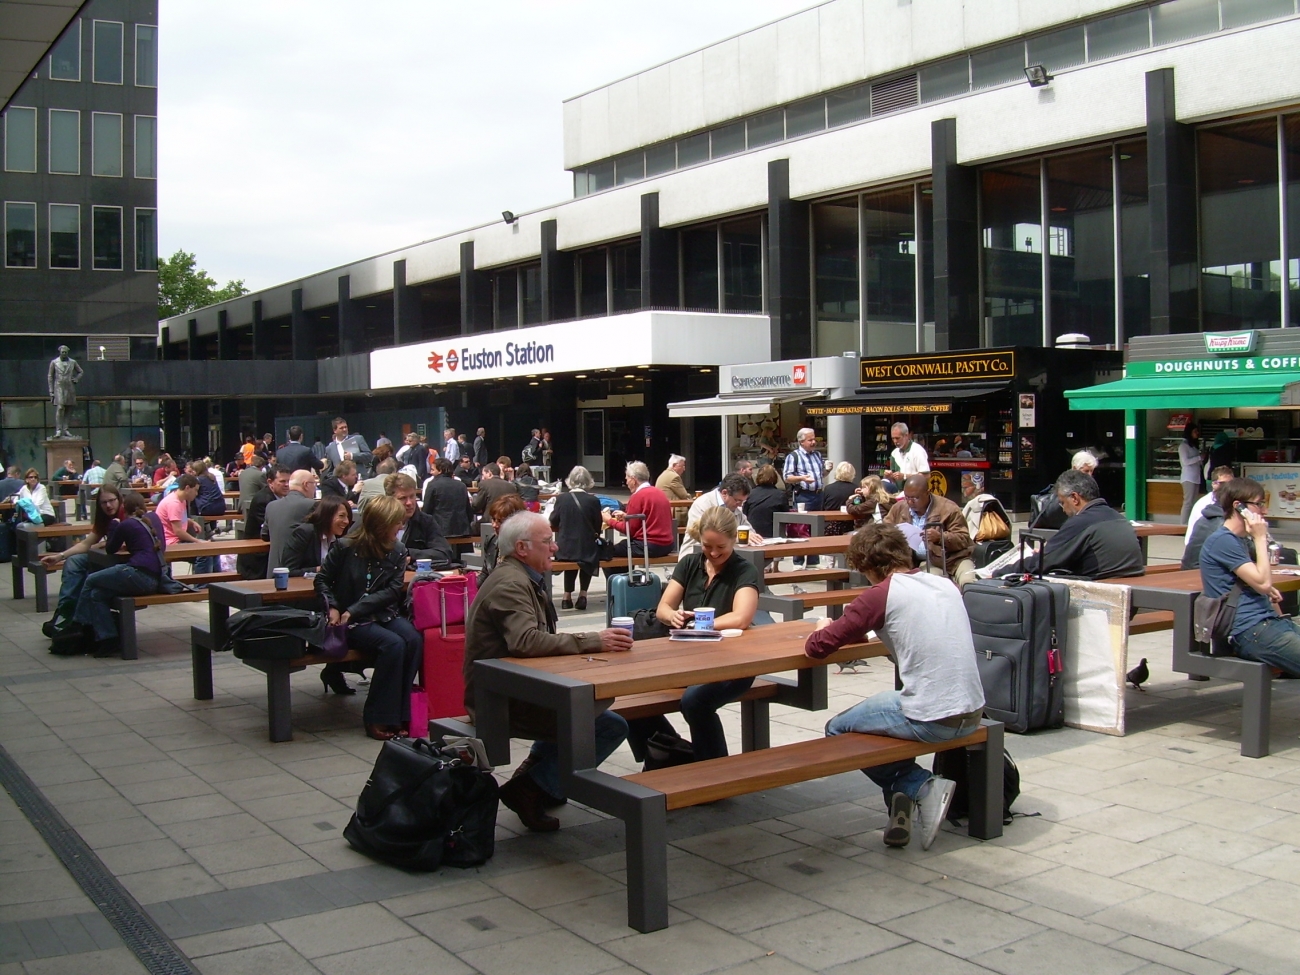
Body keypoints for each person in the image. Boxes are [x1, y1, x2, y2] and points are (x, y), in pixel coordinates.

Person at [805, 523, 983, 849]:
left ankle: (919, 785)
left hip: (933, 716)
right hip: (972, 708)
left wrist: (821, 624)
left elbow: (817, 647)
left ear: (869, 568)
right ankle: (900, 806)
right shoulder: (944, 584)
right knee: (880, 721)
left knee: (838, 729)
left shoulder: (880, 594)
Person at [463, 511, 633, 831]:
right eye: (548, 541)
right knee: (607, 725)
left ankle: (534, 776)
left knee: (593, 710)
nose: (555, 548)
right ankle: (532, 788)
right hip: (499, 701)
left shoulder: (518, 576)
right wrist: (593, 640)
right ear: (523, 548)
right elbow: (525, 641)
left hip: (513, 689)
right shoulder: (511, 583)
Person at [626, 507, 761, 764]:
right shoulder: (690, 563)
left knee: (695, 702)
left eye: (720, 546)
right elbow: (664, 607)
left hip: (731, 662)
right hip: (689, 657)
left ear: (734, 539)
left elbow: (741, 617)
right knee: (628, 691)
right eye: (707, 545)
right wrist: (672, 617)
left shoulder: (744, 571)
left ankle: (713, 769)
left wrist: (703, 624)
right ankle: (668, 749)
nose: (713, 552)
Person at [316, 495, 422, 739]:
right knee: (393, 644)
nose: (401, 527)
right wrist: (333, 606)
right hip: (348, 620)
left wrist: (356, 609)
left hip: (377, 613)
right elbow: (322, 580)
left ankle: (402, 712)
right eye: (397, 522)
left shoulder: (397, 550)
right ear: (382, 524)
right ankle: (378, 715)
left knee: (414, 639)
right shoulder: (344, 548)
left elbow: (392, 590)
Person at [1199, 478, 1300, 676]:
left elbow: (1259, 583)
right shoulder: (1222, 541)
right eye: (1259, 504)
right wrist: (1260, 537)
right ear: (1239, 506)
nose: (1264, 511)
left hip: (1269, 624)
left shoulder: (1239, 540)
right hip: (1250, 631)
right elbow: (1263, 582)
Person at [73, 492, 166, 658]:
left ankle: (80, 624)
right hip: (156, 578)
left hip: (138, 574)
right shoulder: (155, 518)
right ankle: (108, 638)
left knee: (90, 580)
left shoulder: (126, 524)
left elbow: (110, 548)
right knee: (97, 594)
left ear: (124, 508)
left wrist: (114, 526)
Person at [1020, 470, 1143, 580]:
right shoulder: (1118, 517)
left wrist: (1004, 569)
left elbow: (1042, 562)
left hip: (1100, 585)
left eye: (1062, 502)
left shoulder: (1080, 523)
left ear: (1074, 498)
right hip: (1125, 579)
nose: (1063, 509)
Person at [39, 484, 127, 638]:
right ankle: (64, 612)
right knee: (73, 562)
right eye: (103, 502)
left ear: (119, 499)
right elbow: (86, 544)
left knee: (87, 576)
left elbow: (130, 542)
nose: (108, 505)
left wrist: (105, 544)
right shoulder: (104, 518)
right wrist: (59, 556)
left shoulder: (126, 513)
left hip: (128, 567)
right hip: (109, 560)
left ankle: (70, 620)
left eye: (111, 501)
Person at [883, 473, 975, 587]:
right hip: (926, 561)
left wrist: (941, 537)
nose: (910, 502)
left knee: (969, 583)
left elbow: (963, 538)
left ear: (927, 493)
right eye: (907, 497)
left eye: (915, 498)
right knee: (933, 584)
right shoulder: (899, 508)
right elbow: (884, 531)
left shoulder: (949, 508)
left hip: (955, 559)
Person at [604, 461, 675, 573]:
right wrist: (627, 516)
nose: (626, 482)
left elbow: (628, 530)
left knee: (607, 552)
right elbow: (650, 518)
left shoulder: (637, 497)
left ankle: (619, 588)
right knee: (624, 547)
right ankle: (628, 581)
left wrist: (608, 520)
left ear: (633, 479)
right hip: (667, 545)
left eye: (627, 478)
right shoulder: (659, 493)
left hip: (650, 546)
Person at [550, 465, 603, 609]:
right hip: (586, 549)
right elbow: (598, 527)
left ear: (570, 481)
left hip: (565, 548)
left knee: (571, 554)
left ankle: (566, 595)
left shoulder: (562, 499)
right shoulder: (593, 501)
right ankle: (583, 594)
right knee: (586, 557)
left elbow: (553, 520)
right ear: (588, 481)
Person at [386, 472, 458, 568]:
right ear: (390, 500)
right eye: (403, 498)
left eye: (412, 496)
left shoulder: (425, 521)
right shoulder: (380, 522)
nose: (409, 503)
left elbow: (444, 554)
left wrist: (408, 553)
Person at [679, 474, 759, 557]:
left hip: (725, 556)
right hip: (696, 555)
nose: (740, 505)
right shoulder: (702, 504)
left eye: (743, 502)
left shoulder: (735, 508)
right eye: (737, 500)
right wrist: (737, 537)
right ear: (724, 493)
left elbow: (748, 530)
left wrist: (752, 537)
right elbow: (703, 535)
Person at [262, 469, 319, 576]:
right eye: (314, 484)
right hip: (297, 573)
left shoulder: (271, 506)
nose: (315, 488)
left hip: (272, 571)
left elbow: (264, 535)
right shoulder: (313, 505)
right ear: (306, 485)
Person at [239, 465, 290, 579]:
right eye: (282, 481)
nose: (287, 485)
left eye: (288, 481)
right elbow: (271, 530)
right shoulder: (263, 500)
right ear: (270, 482)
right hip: (257, 559)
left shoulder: (281, 497)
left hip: (269, 551)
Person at [783, 428, 825, 567]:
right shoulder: (794, 456)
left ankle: (813, 561)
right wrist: (802, 478)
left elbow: (819, 475)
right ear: (801, 441)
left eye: (814, 439)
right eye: (810, 440)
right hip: (803, 496)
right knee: (800, 528)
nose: (814, 442)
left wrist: (827, 471)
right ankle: (798, 561)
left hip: (818, 494)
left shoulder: (817, 455)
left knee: (816, 528)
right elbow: (787, 477)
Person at [281, 497, 352, 577]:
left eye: (348, 517)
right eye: (341, 515)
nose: (346, 521)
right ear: (327, 515)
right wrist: (320, 569)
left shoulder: (339, 539)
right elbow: (288, 570)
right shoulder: (304, 533)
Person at [1029, 450, 1098, 530]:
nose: (1089, 475)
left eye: (1091, 471)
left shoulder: (1088, 486)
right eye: (1086, 471)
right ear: (1075, 468)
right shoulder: (1065, 484)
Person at [479, 493, 528, 586]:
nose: (494, 525)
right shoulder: (491, 540)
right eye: (493, 519)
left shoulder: (525, 546)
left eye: (500, 521)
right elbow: (484, 575)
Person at [1181, 476, 1229, 571]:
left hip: (1199, 568)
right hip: (1198, 572)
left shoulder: (1215, 513)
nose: (1263, 511)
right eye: (1258, 504)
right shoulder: (1221, 523)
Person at [423, 458, 475, 542]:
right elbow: (468, 510)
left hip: (441, 530)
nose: (431, 472)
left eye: (433, 469)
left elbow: (427, 510)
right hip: (462, 529)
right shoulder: (461, 485)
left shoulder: (432, 485)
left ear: (440, 470)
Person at [1185, 465, 1235, 549]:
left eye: (1230, 484)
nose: (1227, 487)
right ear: (1214, 484)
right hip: (1200, 548)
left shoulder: (1233, 501)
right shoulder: (1204, 504)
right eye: (1222, 483)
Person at [743, 464, 788, 538]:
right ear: (775, 478)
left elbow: (745, 514)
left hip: (753, 534)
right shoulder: (780, 495)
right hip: (773, 535)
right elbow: (785, 518)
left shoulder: (750, 494)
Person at [882, 423, 930, 492]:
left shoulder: (918, 450)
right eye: (893, 438)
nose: (895, 441)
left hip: (916, 493)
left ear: (906, 436)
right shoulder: (894, 453)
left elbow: (926, 476)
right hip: (899, 493)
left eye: (898, 438)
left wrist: (904, 476)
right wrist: (888, 476)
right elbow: (893, 480)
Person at [821, 461, 857, 535]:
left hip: (829, 525)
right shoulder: (856, 489)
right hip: (848, 525)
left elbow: (822, 507)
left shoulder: (828, 488)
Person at [1178, 425, 1204, 525]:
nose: (1197, 433)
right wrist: (1199, 458)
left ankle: (1190, 523)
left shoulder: (1193, 446)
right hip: (1188, 478)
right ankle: (1183, 524)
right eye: (1195, 431)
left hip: (1196, 477)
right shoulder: (1183, 446)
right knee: (1188, 502)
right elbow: (1184, 461)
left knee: (1193, 502)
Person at [656, 455, 690, 520]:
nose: (684, 469)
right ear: (674, 465)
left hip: (663, 511)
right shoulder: (674, 477)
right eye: (682, 466)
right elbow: (684, 496)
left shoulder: (664, 474)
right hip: (674, 514)